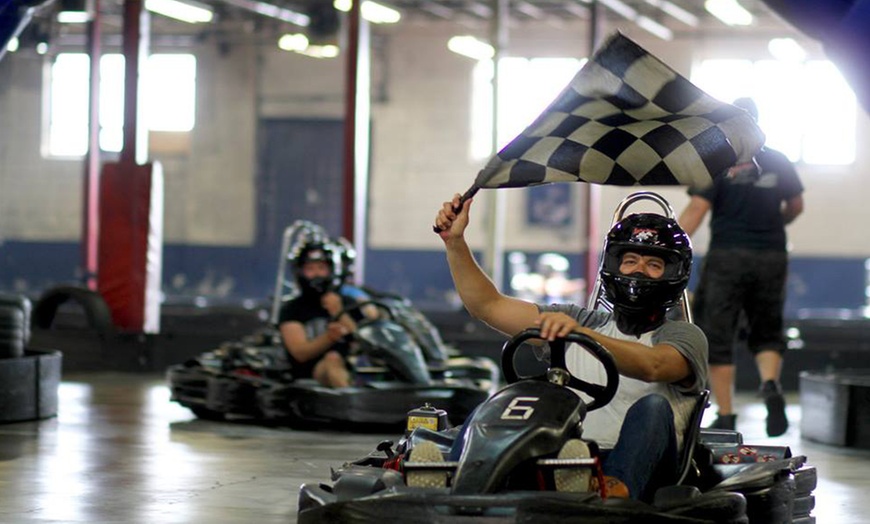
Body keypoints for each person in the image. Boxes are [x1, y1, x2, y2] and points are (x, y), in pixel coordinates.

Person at [432, 194, 708, 501]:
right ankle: (459, 478)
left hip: (649, 469)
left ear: (672, 274)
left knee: (653, 407)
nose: (638, 271)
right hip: (568, 458)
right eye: (630, 261)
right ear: (614, 265)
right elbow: (488, 305)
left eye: (653, 264)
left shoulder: (684, 335)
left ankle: (612, 490)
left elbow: (652, 366)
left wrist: (581, 334)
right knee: (501, 400)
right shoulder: (577, 320)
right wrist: (454, 242)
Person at [678, 97, 804, 437]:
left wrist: (667, 242)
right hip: (772, 255)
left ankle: (728, 414)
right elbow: (796, 205)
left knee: (718, 334)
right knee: (767, 328)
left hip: (727, 257)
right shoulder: (777, 160)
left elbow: (696, 211)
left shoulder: (718, 162)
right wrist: (773, 223)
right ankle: (769, 385)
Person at [278, 240, 370, 388]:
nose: (317, 274)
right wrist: (329, 338)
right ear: (300, 272)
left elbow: (366, 341)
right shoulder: (292, 309)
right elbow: (299, 352)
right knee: (332, 359)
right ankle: (352, 402)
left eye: (322, 268)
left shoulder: (348, 303)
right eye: (310, 269)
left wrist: (339, 312)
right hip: (311, 374)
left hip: (355, 367)